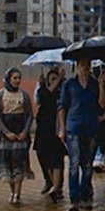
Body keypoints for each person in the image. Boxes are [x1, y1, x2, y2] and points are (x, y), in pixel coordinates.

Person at [58, 59, 100, 211]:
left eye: (87, 65)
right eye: (83, 65)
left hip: (90, 127)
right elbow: (62, 106)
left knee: (87, 165)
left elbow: (100, 103)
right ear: (77, 66)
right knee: (74, 163)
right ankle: (74, 199)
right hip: (73, 127)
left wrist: (101, 85)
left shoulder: (94, 83)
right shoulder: (69, 84)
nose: (85, 68)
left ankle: (85, 195)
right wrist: (62, 128)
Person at [0, 67, 35, 205]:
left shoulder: (24, 95)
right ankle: (12, 191)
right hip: (5, 136)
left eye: (19, 78)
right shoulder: (0, 95)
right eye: (15, 78)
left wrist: (25, 132)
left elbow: (29, 115)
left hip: (20, 133)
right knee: (8, 166)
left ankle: (17, 193)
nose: (17, 81)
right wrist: (6, 132)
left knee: (19, 164)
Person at [34, 68, 67, 202]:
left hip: (56, 127)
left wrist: (60, 78)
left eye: (56, 79)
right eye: (51, 79)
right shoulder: (43, 91)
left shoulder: (62, 92)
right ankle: (50, 181)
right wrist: (42, 82)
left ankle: (57, 187)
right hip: (43, 129)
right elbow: (42, 97)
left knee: (57, 159)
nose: (54, 81)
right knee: (43, 156)